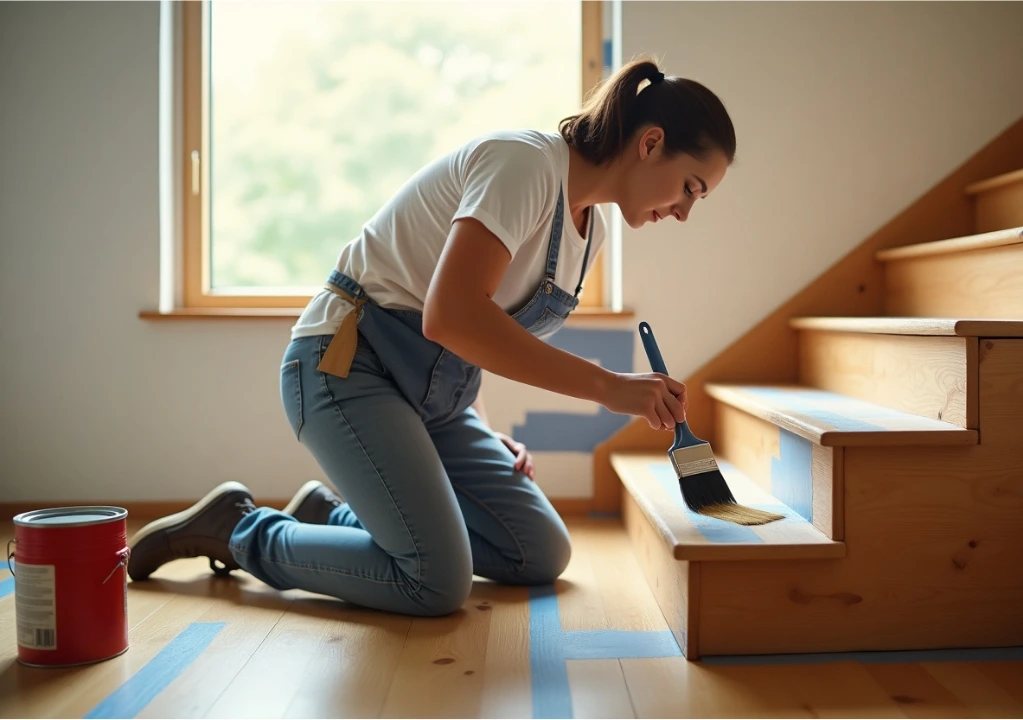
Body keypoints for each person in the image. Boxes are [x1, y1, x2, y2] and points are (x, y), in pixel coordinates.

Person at [127, 58, 736, 617]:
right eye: (690, 188)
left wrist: (475, 416)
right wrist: (608, 386)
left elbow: (480, 330)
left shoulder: (589, 234)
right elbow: (450, 316)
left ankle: (325, 516)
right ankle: (238, 530)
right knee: (436, 580)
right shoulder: (524, 164)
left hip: (436, 401)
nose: (685, 212)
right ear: (651, 143)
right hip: (344, 367)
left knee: (540, 551)